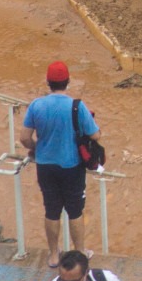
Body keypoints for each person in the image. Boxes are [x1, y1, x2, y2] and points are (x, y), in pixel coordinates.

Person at [21, 61, 99, 269]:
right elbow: (95, 134)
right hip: (72, 166)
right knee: (75, 210)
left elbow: (24, 138)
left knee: (51, 210)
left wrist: (37, 148)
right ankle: (80, 252)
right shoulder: (77, 106)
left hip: (45, 166)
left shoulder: (36, 105)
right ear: (68, 81)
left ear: (48, 82)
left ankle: (54, 255)